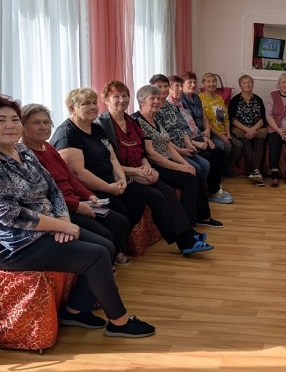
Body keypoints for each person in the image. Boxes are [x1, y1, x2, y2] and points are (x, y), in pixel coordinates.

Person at [0, 95, 155, 338]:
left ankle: (75, 311)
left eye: (14, 119)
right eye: (1, 120)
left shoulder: (22, 151)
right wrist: (59, 226)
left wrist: (63, 221)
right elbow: (9, 215)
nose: (10, 125)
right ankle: (120, 322)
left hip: (46, 228)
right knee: (96, 255)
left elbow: (53, 188)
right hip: (10, 244)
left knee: (106, 243)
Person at [51, 86, 212, 256]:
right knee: (153, 196)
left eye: (93, 103)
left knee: (164, 190)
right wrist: (121, 180)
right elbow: (77, 173)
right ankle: (184, 240)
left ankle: (186, 235)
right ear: (72, 108)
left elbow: (115, 158)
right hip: (97, 186)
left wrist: (133, 174)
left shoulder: (99, 128)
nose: (92, 107)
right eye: (86, 104)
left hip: (120, 177)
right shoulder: (76, 131)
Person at [21, 103, 132, 266]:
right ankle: (103, 265)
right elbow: (46, 195)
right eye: (36, 123)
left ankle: (110, 260)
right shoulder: (24, 155)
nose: (43, 127)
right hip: (59, 209)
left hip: (76, 200)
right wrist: (77, 205)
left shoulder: (48, 148)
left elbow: (70, 177)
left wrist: (89, 195)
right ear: (22, 126)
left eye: (46, 122)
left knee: (120, 222)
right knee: (105, 234)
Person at [132, 84, 223, 229]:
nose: (157, 101)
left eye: (158, 98)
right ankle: (188, 226)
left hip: (165, 159)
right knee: (189, 180)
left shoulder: (154, 119)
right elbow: (151, 154)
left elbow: (167, 145)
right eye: (152, 98)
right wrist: (181, 167)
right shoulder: (137, 121)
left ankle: (204, 217)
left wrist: (186, 164)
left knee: (196, 173)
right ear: (141, 102)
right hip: (153, 165)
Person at [150, 73, 232, 205]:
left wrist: (192, 143)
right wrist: (189, 146)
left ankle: (209, 191)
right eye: (160, 87)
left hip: (188, 141)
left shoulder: (174, 106)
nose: (163, 89)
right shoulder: (154, 110)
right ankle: (203, 194)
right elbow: (164, 139)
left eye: (165, 86)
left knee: (217, 153)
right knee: (203, 164)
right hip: (174, 148)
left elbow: (183, 128)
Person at [199, 72, 243, 176]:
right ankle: (217, 171)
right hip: (212, 133)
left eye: (214, 81)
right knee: (225, 147)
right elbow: (205, 121)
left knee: (238, 145)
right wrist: (222, 137)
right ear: (204, 84)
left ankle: (225, 168)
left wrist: (228, 134)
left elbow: (225, 118)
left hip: (223, 131)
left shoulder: (219, 98)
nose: (211, 84)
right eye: (208, 81)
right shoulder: (200, 98)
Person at [228, 74, 267, 186]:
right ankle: (257, 173)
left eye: (249, 82)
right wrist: (247, 130)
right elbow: (232, 119)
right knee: (246, 142)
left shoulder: (258, 99)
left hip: (256, 130)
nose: (247, 84)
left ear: (253, 84)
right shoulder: (235, 100)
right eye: (244, 83)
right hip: (241, 130)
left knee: (260, 142)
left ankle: (255, 172)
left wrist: (253, 129)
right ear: (240, 85)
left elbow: (263, 119)